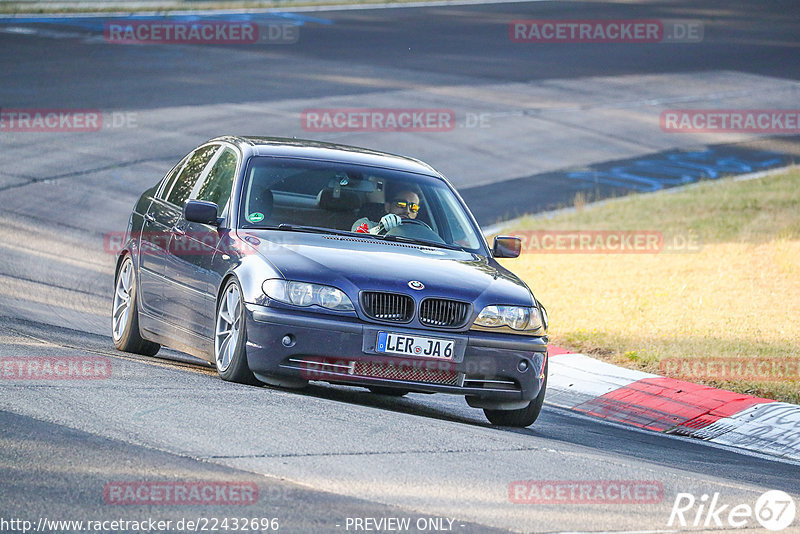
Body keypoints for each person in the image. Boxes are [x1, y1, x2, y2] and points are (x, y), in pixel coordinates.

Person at [351, 189, 421, 234]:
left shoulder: (422, 234)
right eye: (401, 204)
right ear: (388, 207)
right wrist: (380, 228)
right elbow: (356, 242)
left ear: (416, 213)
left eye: (414, 207)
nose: (407, 211)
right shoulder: (366, 224)